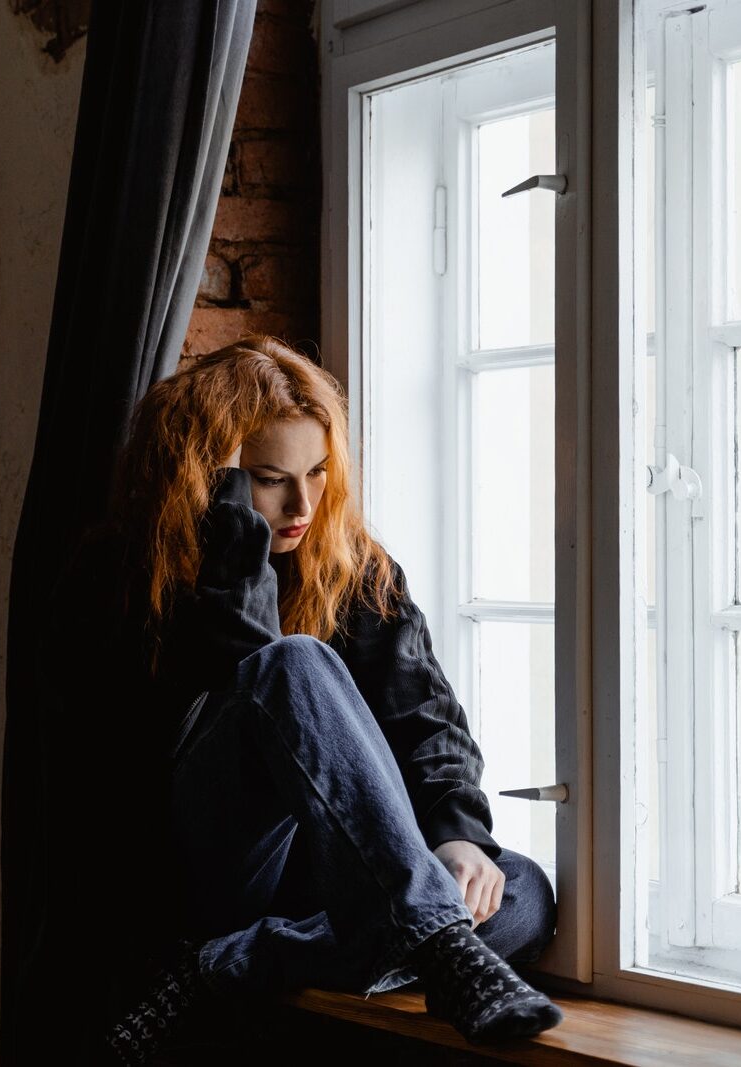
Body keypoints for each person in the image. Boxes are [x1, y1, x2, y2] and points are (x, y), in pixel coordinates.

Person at [88, 336, 562, 1063]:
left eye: (317, 472)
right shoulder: (136, 574)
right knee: (292, 662)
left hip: (333, 886)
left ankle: (233, 963)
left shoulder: (354, 567)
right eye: (270, 478)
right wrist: (233, 542)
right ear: (205, 478)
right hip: (212, 866)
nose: (303, 502)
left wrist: (457, 834)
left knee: (521, 890)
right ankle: (417, 938)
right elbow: (237, 692)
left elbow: (426, 720)